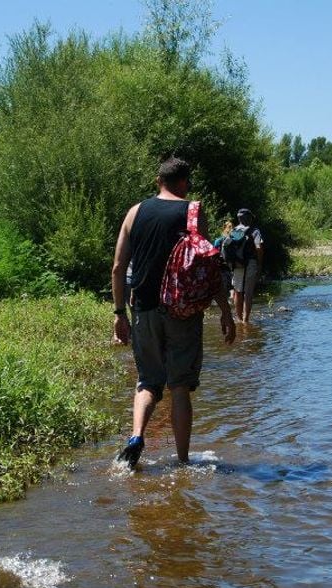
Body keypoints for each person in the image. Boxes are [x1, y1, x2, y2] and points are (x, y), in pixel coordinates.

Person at [111, 157, 235, 468]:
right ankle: (182, 462)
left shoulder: (134, 212)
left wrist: (119, 314)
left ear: (158, 181)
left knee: (147, 381)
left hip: (143, 308)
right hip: (182, 310)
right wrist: (225, 310)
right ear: (185, 182)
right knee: (179, 387)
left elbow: (117, 268)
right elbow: (209, 266)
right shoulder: (193, 211)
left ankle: (137, 436)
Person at [230, 209, 264, 323]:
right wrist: (259, 263)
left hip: (237, 265)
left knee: (238, 292)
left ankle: (239, 319)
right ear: (249, 218)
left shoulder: (233, 230)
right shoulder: (254, 231)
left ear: (239, 218)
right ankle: (246, 320)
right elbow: (258, 247)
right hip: (250, 263)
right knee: (248, 293)